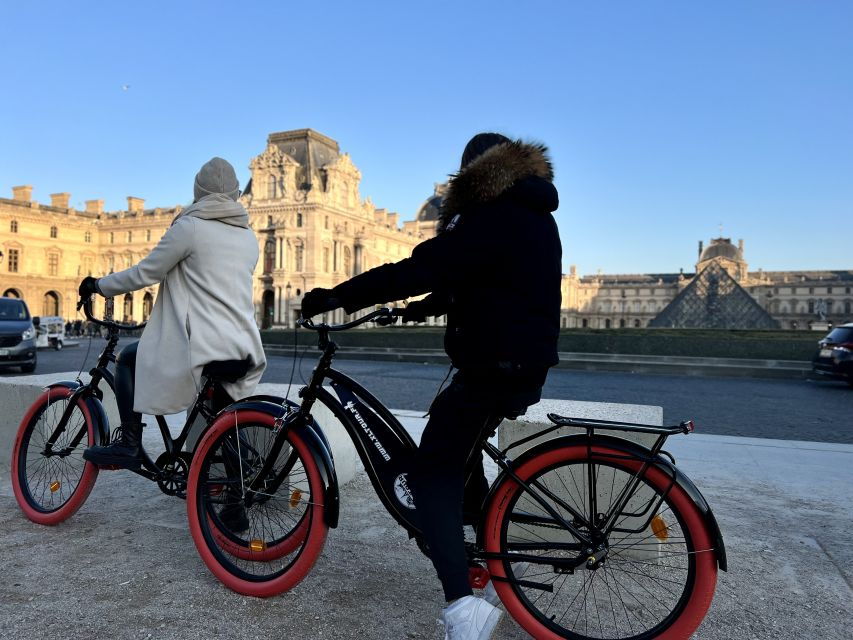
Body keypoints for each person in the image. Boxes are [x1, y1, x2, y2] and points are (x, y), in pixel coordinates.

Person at [301, 133, 561, 640]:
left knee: (431, 474)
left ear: (476, 173)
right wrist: (421, 308)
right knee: (464, 458)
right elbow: (483, 279)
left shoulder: (487, 212)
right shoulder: (533, 212)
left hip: (491, 362)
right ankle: (487, 565)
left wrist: (336, 296)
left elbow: (420, 267)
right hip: (522, 361)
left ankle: (462, 607)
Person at [79, 157, 266, 470]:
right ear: (236, 194)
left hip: (200, 344)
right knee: (223, 418)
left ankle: (130, 443)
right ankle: (236, 502)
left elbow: (145, 273)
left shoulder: (190, 226)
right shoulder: (248, 237)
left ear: (198, 191)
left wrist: (98, 285)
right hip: (242, 344)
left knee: (127, 359)